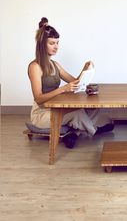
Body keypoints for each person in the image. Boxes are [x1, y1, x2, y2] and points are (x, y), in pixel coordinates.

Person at [28, 17, 114, 148]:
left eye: (57, 43)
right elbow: (39, 99)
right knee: (78, 114)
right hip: (41, 114)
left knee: (94, 107)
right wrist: (63, 89)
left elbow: (75, 82)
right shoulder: (35, 67)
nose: (56, 47)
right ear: (42, 44)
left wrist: (85, 69)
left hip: (56, 108)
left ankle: (75, 134)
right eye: (52, 43)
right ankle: (94, 131)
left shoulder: (55, 65)